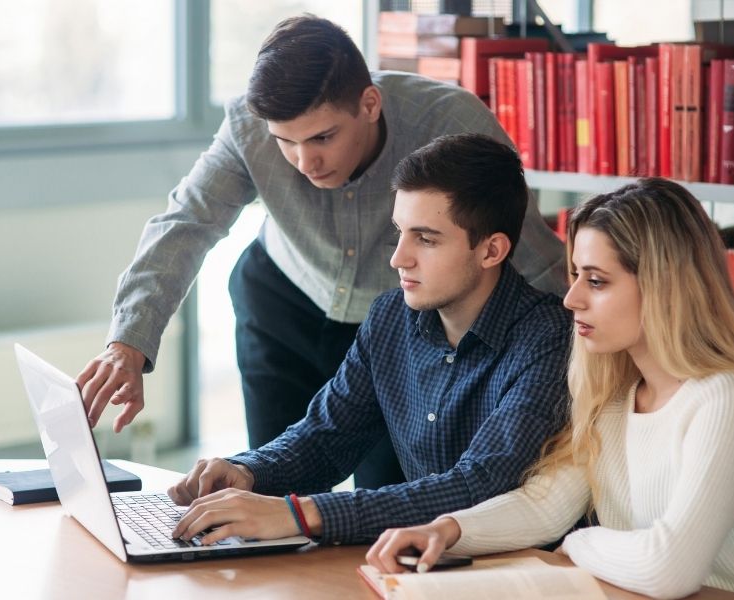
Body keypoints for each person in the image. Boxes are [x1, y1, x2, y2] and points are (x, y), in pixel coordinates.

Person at [74, 15, 567, 490]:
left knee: (386, 498)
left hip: (395, 328)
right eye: (285, 142)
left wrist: (588, 357)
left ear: (369, 103)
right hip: (282, 305)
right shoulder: (248, 126)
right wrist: (128, 344)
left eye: (323, 137)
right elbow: (186, 223)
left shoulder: (450, 122)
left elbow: (526, 249)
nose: (304, 161)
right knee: (264, 481)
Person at [366, 178, 734, 599]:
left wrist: (578, 542)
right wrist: (445, 530)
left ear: (665, 289)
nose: (571, 299)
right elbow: (545, 505)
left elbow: (669, 569)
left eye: (597, 281)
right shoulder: (617, 400)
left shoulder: (727, 397)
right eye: (575, 275)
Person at [165, 133, 571, 547]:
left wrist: (300, 514)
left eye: (426, 239)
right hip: (421, 566)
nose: (399, 258)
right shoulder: (391, 317)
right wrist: (247, 471)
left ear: (491, 251)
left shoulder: (550, 340)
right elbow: (326, 437)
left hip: (520, 573)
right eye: (400, 232)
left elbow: (477, 487)